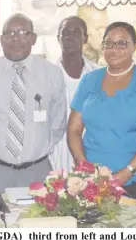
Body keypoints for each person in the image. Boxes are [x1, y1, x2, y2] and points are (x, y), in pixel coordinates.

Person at [0, 14, 67, 193]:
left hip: (37, 172)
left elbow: (58, 124)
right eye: (9, 33)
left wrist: (36, 151)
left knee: (37, 221)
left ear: (33, 38)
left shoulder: (52, 74)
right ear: (1, 40)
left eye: (23, 33)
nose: (15, 38)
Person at [67, 22, 136, 185]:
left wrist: (128, 172)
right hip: (92, 182)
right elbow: (73, 129)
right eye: (108, 43)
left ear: (134, 46)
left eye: (122, 43)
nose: (114, 49)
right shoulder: (89, 79)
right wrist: (83, 166)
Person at [51, 16, 98, 171]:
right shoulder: (46, 74)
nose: (70, 38)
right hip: (53, 160)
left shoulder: (99, 75)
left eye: (76, 33)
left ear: (85, 38)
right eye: (65, 33)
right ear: (58, 38)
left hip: (91, 159)